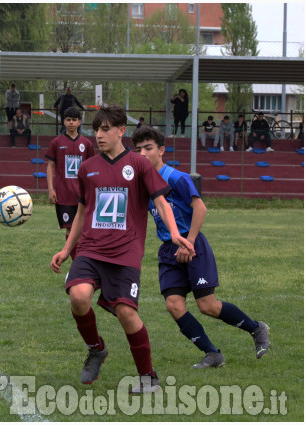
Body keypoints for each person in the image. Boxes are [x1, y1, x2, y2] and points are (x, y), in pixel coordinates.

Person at [49, 104, 195, 394]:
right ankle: (96, 349)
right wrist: (67, 249)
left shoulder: (139, 164)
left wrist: (176, 233)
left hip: (126, 252)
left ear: (121, 131)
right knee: (78, 297)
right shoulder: (88, 167)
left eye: (105, 129)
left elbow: (162, 202)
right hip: (90, 248)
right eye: (97, 130)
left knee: (127, 314)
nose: (100, 135)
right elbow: (81, 212)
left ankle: (148, 378)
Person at [131, 126, 270, 368]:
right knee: (174, 305)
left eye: (148, 148)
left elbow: (200, 208)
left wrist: (190, 243)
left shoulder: (176, 177)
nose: (142, 153)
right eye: (138, 149)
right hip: (168, 249)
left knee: (208, 306)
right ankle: (212, 354)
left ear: (161, 150)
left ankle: (257, 328)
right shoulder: (143, 183)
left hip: (192, 244)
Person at [45, 107, 95, 260]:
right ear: (64, 121)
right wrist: (51, 189)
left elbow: (91, 169)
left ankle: (82, 264)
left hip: (82, 194)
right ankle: (76, 266)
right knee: (69, 231)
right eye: (68, 119)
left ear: (79, 122)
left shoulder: (86, 143)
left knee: (83, 232)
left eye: (74, 120)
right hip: (64, 194)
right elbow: (50, 166)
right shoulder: (56, 142)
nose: (71, 122)